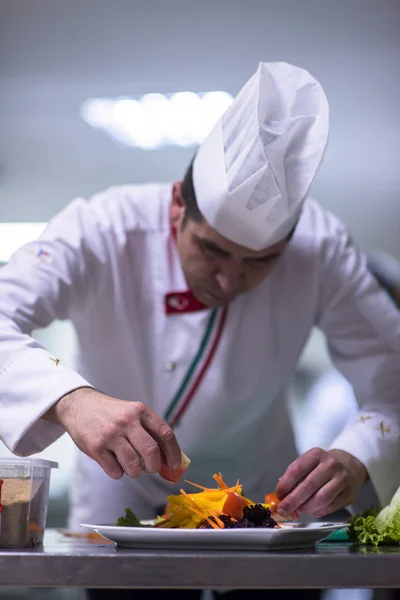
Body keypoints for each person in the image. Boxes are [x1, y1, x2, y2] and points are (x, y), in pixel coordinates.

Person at [0, 62, 400, 600]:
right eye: (212, 249)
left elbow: (392, 382)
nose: (230, 279)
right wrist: (70, 398)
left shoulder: (323, 248)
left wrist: (357, 457)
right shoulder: (101, 228)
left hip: (270, 512)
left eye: (261, 262)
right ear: (176, 206)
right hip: (117, 515)